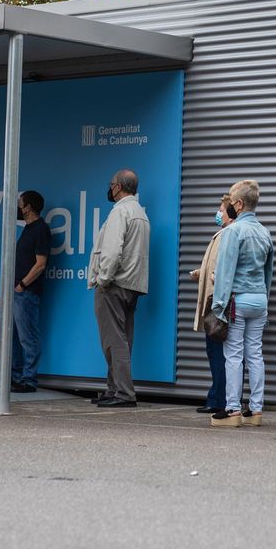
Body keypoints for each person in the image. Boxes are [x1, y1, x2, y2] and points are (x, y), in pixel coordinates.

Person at [209, 180, 274, 428]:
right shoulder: (264, 232)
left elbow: (225, 271)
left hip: (238, 299)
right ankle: (255, 410)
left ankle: (233, 410)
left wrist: (219, 305)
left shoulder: (233, 231)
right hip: (259, 299)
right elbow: (269, 271)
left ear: (238, 204)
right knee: (255, 354)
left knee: (233, 354)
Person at [87, 169, 150, 408]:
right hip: (132, 285)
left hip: (115, 285)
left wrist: (103, 279)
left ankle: (123, 393)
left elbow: (112, 251)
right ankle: (114, 389)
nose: (110, 188)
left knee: (114, 341)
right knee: (122, 338)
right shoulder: (140, 213)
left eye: (111, 184)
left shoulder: (120, 212)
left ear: (118, 187)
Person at [190, 194, 234, 414]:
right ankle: (217, 397)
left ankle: (219, 400)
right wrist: (202, 272)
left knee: (218, 352)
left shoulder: (228, 235)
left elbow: (224, 269)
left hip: (218, 304)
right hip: (215, 302)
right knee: (215, 352)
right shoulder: (223, 234)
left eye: (221, 209)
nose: (218, 213)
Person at [11, 190, 51, 394]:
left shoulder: (40, 229)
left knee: (28, 337)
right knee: (15, 338)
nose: (17, 207)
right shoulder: (27, 229)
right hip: (18, 292)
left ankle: (29, 380)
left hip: (26, 292)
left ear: (28, 207)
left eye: (20, 203)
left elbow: (40, 264)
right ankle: (16, 377)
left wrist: (22, 285)